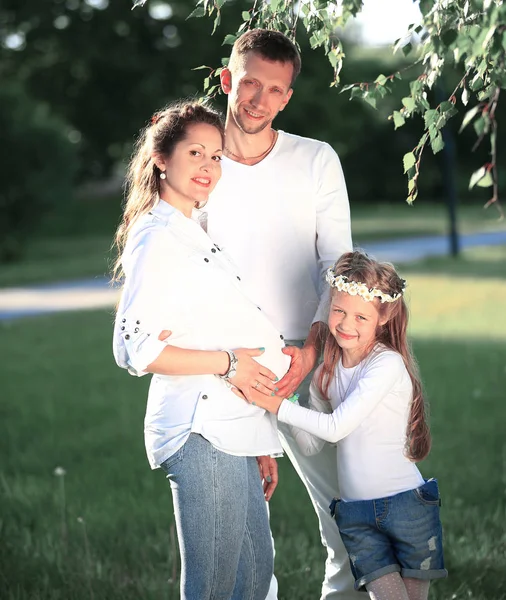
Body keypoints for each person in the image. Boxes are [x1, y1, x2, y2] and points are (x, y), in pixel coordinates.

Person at [111, 100, 292, 600]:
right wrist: (230, 364)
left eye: (216, 156)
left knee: (254, 581)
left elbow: (212, 323)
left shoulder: (195, 231)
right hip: (199, 430)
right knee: (213, 589)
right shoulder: (157, 235)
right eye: (195, 153)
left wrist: (258, 436)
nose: (209, 167)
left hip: (232, 429)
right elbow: (135, 349)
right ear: (162, 159)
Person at [205, 29, 356, 599]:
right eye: (249, 83)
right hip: (232, 368)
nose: (258, 100)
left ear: (287, 97)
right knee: (243, 540)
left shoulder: (316, 159)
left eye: (274, 89)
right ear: (227, 80)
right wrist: (231, 367)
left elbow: (337, 267)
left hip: (311, 356)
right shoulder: (201, 162)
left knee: (346, 515)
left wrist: (312, 351)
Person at [239, 250, 448, 600]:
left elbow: (336, 427)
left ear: (383, 317)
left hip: (406, 509)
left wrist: (274, 404)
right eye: (338, 311)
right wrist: (283, 397)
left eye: (361, 317)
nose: (346, 325)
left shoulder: (387, 365)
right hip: (357, 518)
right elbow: (310, 445)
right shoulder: (325, 375)